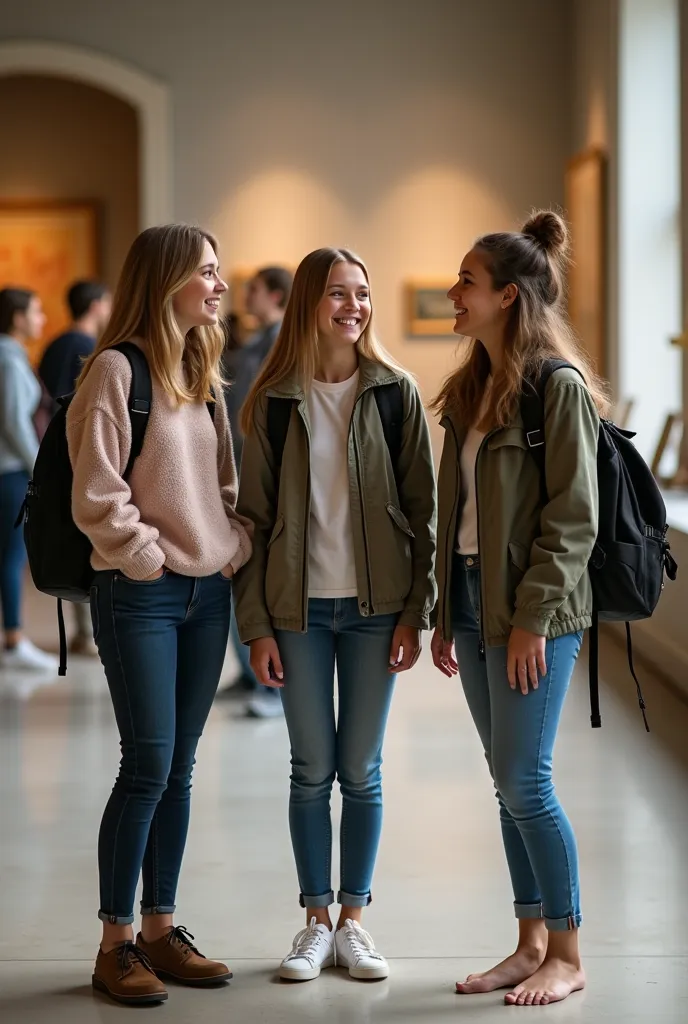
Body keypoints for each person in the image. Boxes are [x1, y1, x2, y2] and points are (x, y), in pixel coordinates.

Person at [234, 247, 436, 982]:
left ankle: (355, 918)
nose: (354, 306)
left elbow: (425, 512)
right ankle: (313, 920)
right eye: (338, 294)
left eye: (363, 293)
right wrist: (254, 625)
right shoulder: (273, 401)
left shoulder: (394, 393)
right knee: (310, 768)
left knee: (362, 769)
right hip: (298, 612)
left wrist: (418, 610)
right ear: (309, 305)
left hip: (376, 611)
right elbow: (249, 522)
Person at [67, 224, 253, 1006]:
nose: (219, 286)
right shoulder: (116, 370)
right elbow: (97, 492)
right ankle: (113, 941)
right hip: (139, 593)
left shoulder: (200, 366)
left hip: (206, 596)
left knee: (178, 767)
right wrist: (146, 557)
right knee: (146, 763)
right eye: (207, 273)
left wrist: (230, 548)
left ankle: (159, 929)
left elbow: (224, 485)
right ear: (168, 278)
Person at [430, 211, 608, 1007]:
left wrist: (534, 616)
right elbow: (456, 512)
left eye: (465, 280)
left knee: (525, 779)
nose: (452, 291)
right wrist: (442, 610)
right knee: (506, 782)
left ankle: (566, 952)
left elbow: (574, 516)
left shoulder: (556, 389)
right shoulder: (470, 388)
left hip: (536, 610)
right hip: (470, 602)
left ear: (506, 296)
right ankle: (528, 941)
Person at [218, 266, 292, 717]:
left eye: (254, 291)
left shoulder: (283, 346)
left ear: (277, 296)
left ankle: (273, 688)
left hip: (266, 481)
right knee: (240, 577)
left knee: (266, 583)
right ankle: (249, 674)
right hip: (240, 476)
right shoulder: (251, 343)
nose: (245, 297)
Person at [39, 280, 112, 657]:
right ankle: (89, 630)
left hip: (53, 452)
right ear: (97, 304)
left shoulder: (54, 343)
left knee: (71, 535)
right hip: (77, 453)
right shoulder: (88, 349)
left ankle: (84, 630)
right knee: (87, 539)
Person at [0, 288, 58, 673]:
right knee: (12, 555)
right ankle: (15, 637)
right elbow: (14, 421)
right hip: (10, 471)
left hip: (9, 469)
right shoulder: (7, 358)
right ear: (17, 316)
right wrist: (41, 467)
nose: (41, 319)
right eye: (36, 311)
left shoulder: (10, 355)